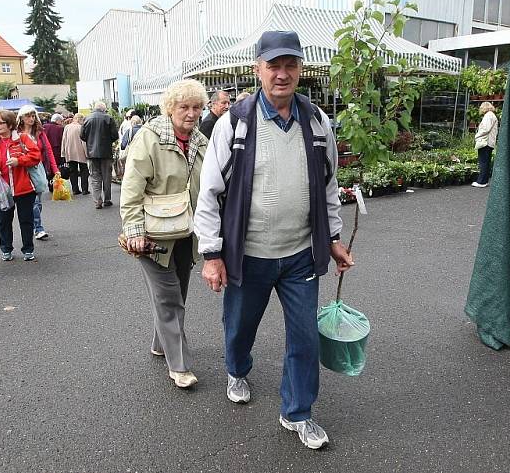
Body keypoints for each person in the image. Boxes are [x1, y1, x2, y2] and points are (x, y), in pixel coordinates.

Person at [194, 31, 354, 450]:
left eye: (290, 65)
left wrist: (333, 237)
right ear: (257, 69)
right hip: (249, 255)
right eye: (273, 65)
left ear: (301, 69)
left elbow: (328, 187)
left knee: (304, 337)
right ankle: (237, 368)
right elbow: (209, 193)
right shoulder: (234, 122)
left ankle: (297, 412)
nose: (282, 74)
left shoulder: (317, 121)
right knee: (239, 327)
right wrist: (212, 254)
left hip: (301, 254)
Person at [120, 79, 208, 389]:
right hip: (152, 234)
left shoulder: (200, 141)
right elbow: (131, 188)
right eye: (184, 106)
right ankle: (180, 365)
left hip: (185, 231)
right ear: (170, 108)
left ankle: (161, 343)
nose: (191, 113)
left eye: (196, 106)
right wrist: (134, 231)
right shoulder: (150, 138)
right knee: (170, 298)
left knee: (176, 294)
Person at [0, 110, 41, 261]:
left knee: (26, 220)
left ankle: (28, 249)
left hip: (24, 187)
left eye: (1, 122)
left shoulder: (23, 138)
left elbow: (36, 156)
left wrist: (20, 161)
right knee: (4, 220)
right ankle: (6, 249)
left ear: (10, 124)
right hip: (2, 190)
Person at [17, 105, 59, 240]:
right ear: (21, 118)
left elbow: (48, 150)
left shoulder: (39, 132)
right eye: (28, 116)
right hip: (22, 169)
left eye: (33, 115)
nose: (31, 118)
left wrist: (55, 169)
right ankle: (37, 227)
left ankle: (36, 225)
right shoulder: (16, 133)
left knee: (37, 200)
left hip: (38, 168)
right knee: (32, 201)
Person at [81, 102, 118, 209]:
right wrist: (108, 141)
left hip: (92, 153)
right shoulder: (108, 118)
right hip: (106, 153)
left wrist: (90, 141)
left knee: (95, 177)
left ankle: (98, 200)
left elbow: (82, 135)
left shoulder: (87, 119)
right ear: (104, 109)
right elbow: (115, 135)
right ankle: (107, 199)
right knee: (107, 177)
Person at [61, 113, 89, 195]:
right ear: (80, 119)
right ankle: (84, 189)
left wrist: (63, 153)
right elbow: (83, 142)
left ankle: (75, 189)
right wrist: (87, 153)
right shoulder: (81, 127)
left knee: (73, 171)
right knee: (84, 170)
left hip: (69, 152)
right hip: (80, 152)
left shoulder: (67, 127)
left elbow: (64, 140)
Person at [472, 101, 498, 188]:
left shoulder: (488, 116)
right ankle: (484, 181)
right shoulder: (492, 115)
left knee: (483, 162)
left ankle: (481, 182)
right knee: (486, 162)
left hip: (485, 142)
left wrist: (477, 135)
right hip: (489, 142)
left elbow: (485, 129)